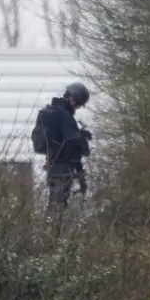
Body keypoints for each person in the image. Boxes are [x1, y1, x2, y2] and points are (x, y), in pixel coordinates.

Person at [31, 82, 91, 214]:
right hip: (62, 167)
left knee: (55, 201)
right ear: (73, 98)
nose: (77, 107)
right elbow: (74, 142)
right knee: (58, 204)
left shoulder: (54, 111)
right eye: (79, 103)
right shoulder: (64, 115)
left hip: (53, 164)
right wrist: (82, 138)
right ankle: (54, 231)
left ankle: (53, 229)